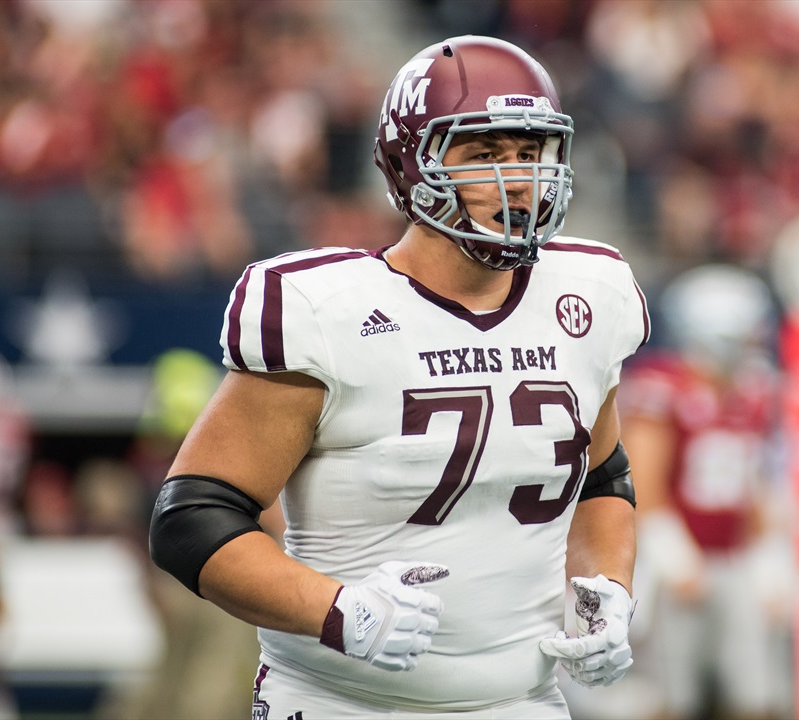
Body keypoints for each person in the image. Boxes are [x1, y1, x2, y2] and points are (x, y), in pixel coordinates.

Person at [148, 35, 649, 719]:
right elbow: (193, 520)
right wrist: (338, 610)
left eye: (530, 152)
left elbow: (600, 475)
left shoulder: (590, 292)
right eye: (484, 154)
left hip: (520, 700)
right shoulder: (328, 310)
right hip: (342, 700)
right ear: (412, 167)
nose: (518, 178)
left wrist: (605, 590)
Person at [611, 264, 790, 720]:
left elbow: (757, 483)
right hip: (673, 562)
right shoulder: (664, 387)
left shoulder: (752, 393)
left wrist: (767, 557)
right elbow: (641, 478)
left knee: (754, 693)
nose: (754, 343)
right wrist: (672, 552)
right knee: (674, 694)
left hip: (732, 559)